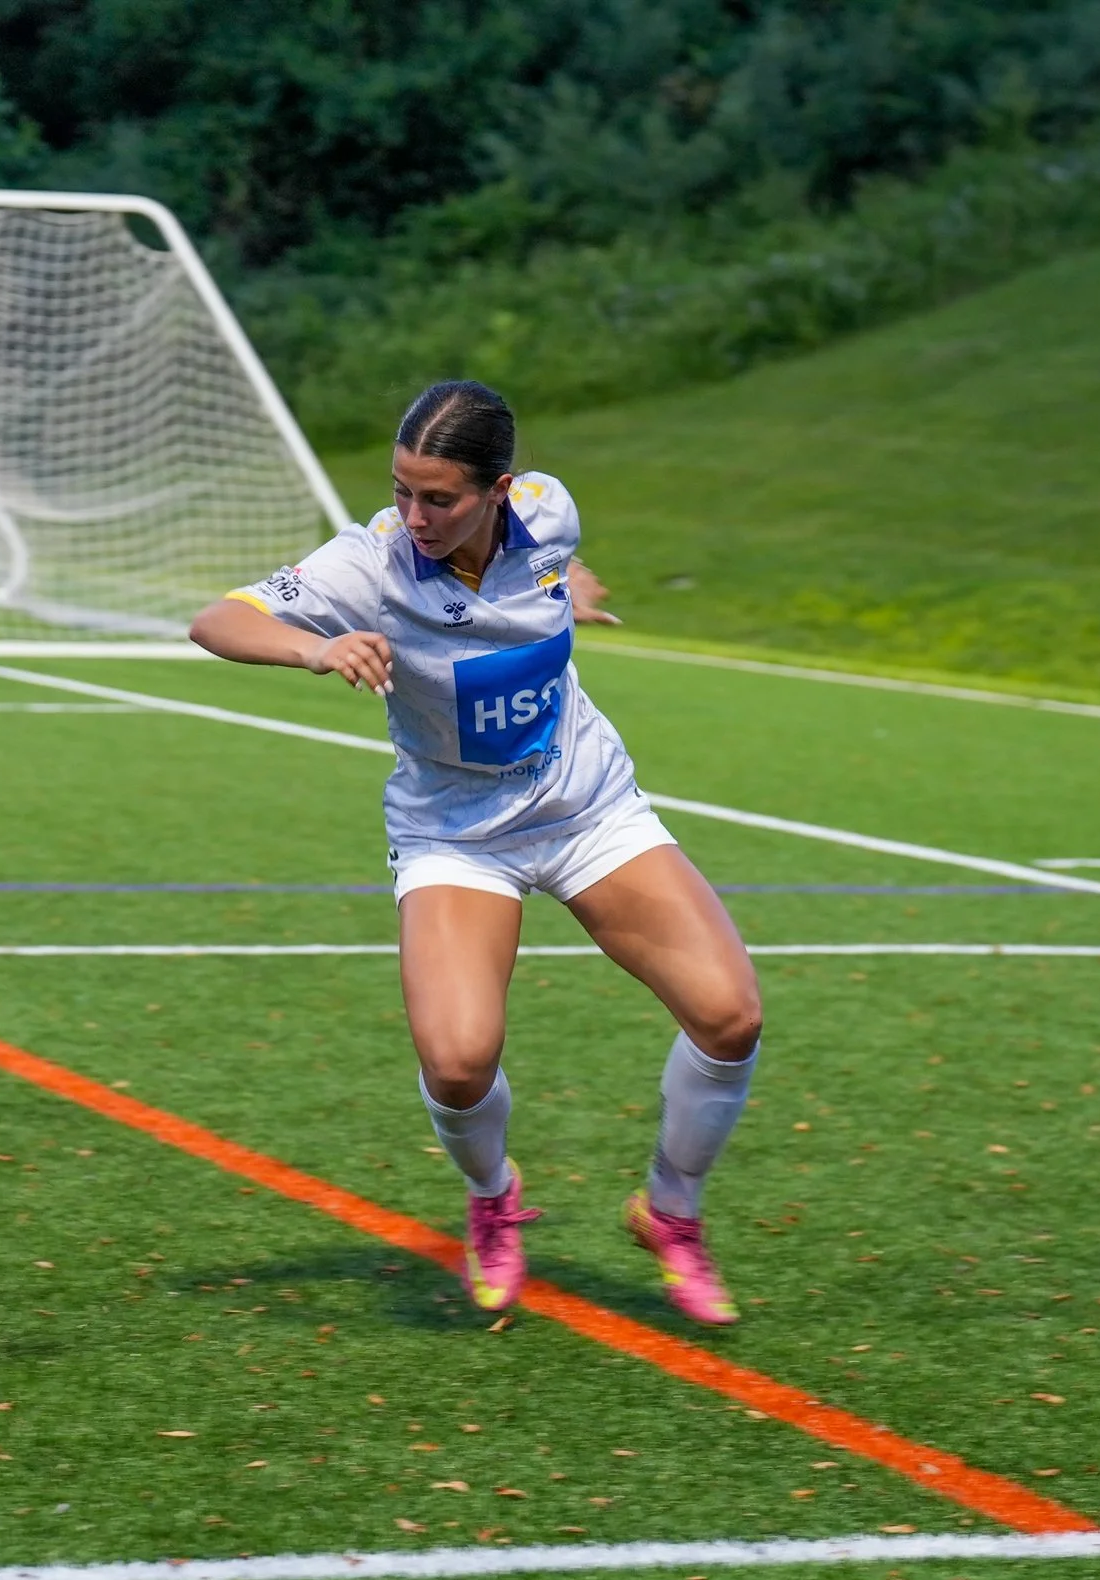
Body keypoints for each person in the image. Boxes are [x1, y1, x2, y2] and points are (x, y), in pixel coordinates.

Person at [190, 381, 760, 1325]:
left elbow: (551, 567)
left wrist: (571, 589)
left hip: (586, 807)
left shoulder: (550, 511)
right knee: (457, 1062)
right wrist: (314, 651)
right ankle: (494, 1198)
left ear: (500, 488)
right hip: (456, 834)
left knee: (730, 1015)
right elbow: (217, 622)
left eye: (438, 498)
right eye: (402, 490)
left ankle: (672, 1213)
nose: (413, 516)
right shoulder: (367, 563)